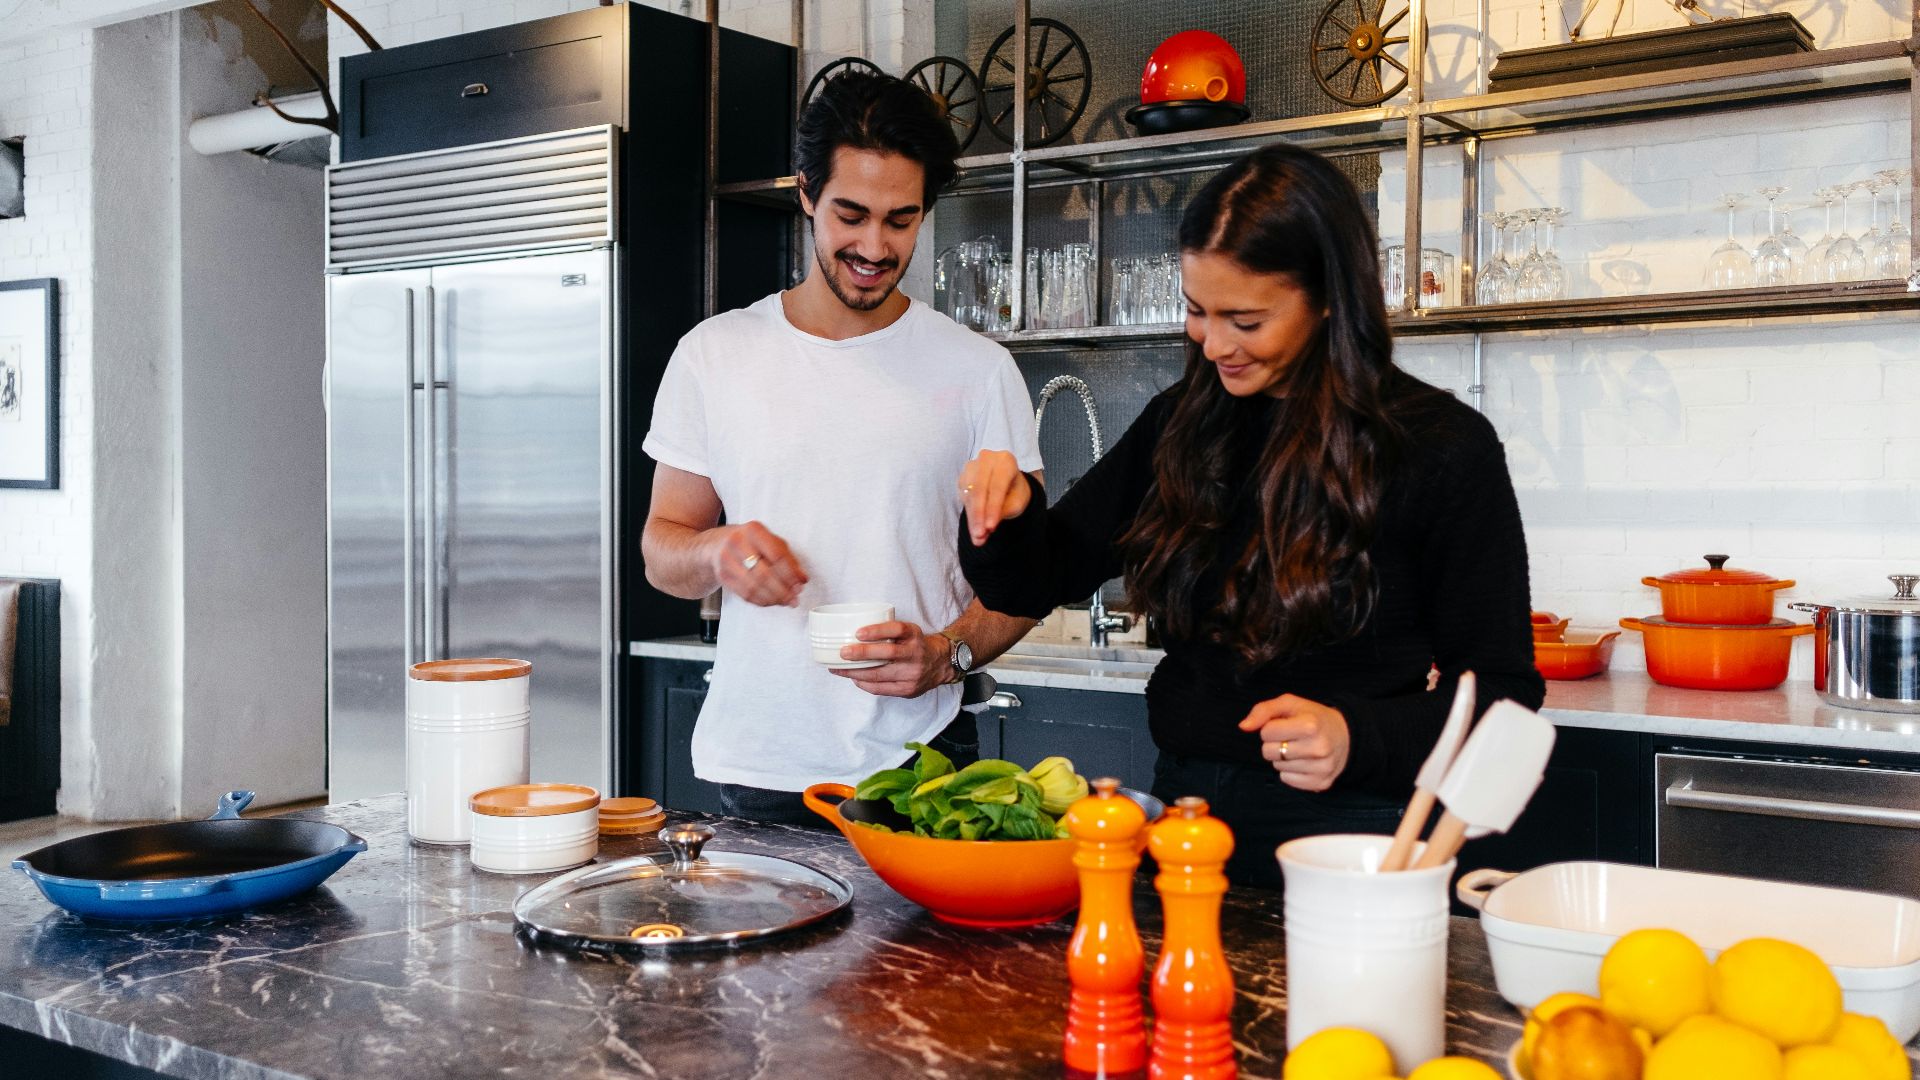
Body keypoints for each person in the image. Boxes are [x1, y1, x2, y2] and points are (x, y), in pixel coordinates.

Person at [955, 143, 1545, 887]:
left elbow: (1501, 693)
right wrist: (1005, 516)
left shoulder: (1441, 448)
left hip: (1354, 832)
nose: (1215, 343)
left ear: (1329, 297)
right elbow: (1038, 577)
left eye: (1245, 319)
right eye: (1198, 312)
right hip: (1186, 821)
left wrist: (1356, 735)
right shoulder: (1181, 424)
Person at [640, 71, 1043, 826]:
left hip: (919, 767)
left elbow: (1031, 574)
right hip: (758, 765)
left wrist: (948, 653)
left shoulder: (978, 369)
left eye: (901, 220)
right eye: (850, 215)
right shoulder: (715, 354)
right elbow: (663, 550)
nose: (874, 246)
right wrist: (717, 553)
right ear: (805, 193)